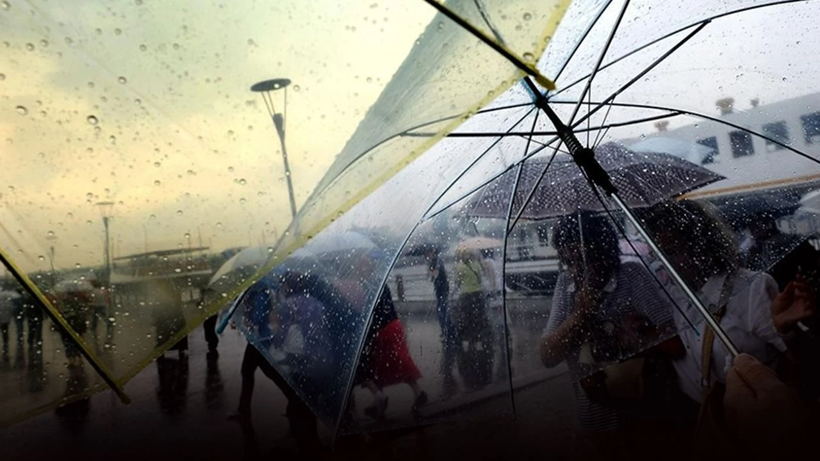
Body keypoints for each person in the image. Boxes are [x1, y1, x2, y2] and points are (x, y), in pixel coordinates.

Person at [639, 200, 815, 421]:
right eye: (658, 253)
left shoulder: (752, 289)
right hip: (704, 417)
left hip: (759, 421)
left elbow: (802, 363)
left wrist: (786, 332)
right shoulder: (677, 293)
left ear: (700, 244)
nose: (665, 262)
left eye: (673, 251)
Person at [539, 210, 681, 458]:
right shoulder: (565, 284)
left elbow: (674, 341)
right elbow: (548, 356)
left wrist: (634, 336)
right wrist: (579, 315)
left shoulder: (631, 276)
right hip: (592, 420)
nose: (576, 271)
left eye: (584, 259)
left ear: (604, 252)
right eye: (569, 262)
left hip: (641, 418)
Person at [356, 285, 428, 421]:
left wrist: (367, 335)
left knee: (381, 364)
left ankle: (380, 400)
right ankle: (416, 392)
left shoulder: (370, 286)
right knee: (396, 361)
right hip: (394, 325)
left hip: (383, 330)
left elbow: (370, 313)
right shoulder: (381, 284)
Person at [453, 246, 494, 390]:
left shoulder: (459, 267)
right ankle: (479, 341)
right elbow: (480, 279)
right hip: (478, 295)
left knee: (467, 320)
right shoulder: (476, 264)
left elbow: (457, 282)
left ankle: (469, 343)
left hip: (466, 297)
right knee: (479, 319)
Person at [425, 245, 457, 396]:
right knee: (442, 310)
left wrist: (430, 270)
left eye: (427, 253)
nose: (426, 255)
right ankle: (448, 330)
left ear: (432, 252)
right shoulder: (436, 261)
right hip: (442, 288)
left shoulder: (436, 261)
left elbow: (434, 275)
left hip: (442, 288)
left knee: (442, 311)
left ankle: (448, 331)